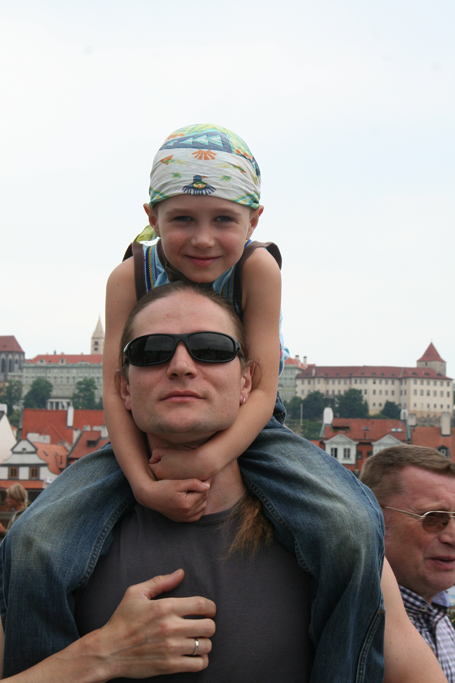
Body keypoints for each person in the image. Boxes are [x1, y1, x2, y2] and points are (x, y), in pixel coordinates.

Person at [17, 122, 386, 682]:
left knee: (351, 526)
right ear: (152, 216)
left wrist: (208, 458)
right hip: (143, 434)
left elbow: (262, 388)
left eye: (223, 220)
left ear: (254, 221)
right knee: (32, 540)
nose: (204, 239)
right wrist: (142, 483)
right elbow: (116, 390)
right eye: (183, 219)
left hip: (252, 426)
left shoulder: (258, 268)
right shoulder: (128, 276)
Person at [0, 284, 448, 682]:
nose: (181, 365)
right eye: (151, 351)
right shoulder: (45, 551)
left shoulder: (339, 541)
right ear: (123, 389)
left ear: (248, 382)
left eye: (211, 349)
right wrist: (99, 656)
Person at [361, 445, 455, 682]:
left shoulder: (437, 612)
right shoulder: (359, 631)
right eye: (433, 518)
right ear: (376, 518)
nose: (452, 537)